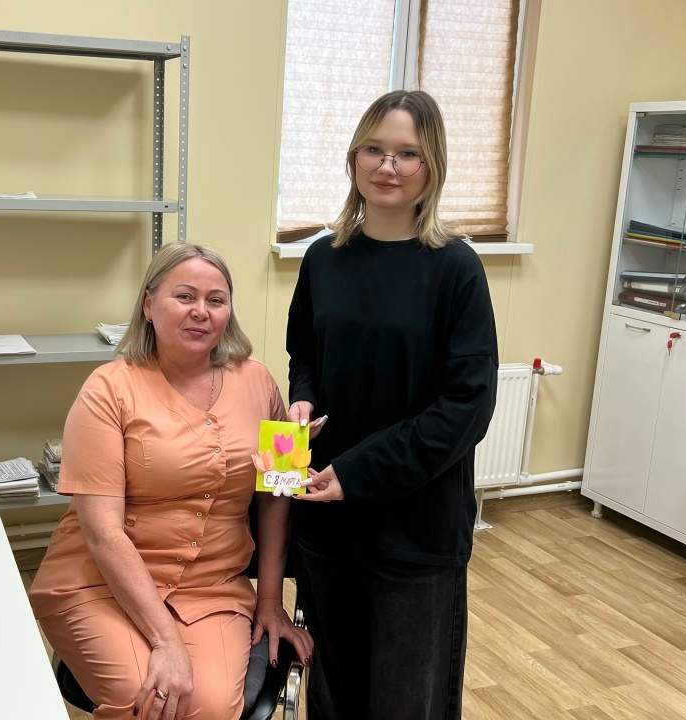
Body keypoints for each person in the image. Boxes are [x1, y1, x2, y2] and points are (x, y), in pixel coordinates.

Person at [30, 243, 313, 720]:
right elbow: (102, 533)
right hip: (100, 582)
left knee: (212, 708)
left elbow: (278, 493)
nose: (201, 311)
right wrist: (166, 641)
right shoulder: (106, 388)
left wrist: (270, 600)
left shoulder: (261, 382)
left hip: (212, 588)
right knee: (150, 700)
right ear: (148, 304)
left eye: (216, 300)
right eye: (184, 296)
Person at [285, 89, 499, 719]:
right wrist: (302, 400)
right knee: (332, 691)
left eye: (408, 153)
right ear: (354, 158)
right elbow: (305, 357)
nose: (388, 166)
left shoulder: (455, 268)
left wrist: (358, 473)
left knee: (407, 699)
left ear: (432, 166)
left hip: (415, 526)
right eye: (374, 149)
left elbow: (467, 406)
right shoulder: (323, 258)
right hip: (324, 514)